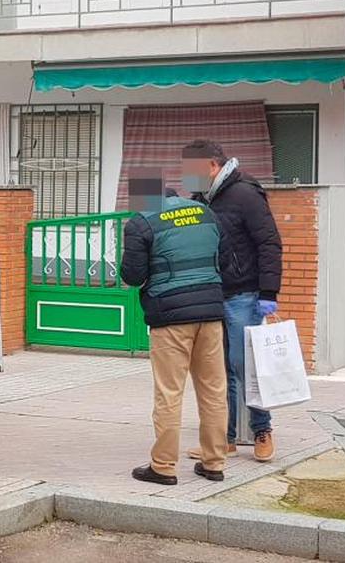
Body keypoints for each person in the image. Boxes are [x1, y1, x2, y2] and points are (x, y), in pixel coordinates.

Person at [121, 177, 229, 486]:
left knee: (169, 393)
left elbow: (133, 274)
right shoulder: (204, 212)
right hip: (210, 313)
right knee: (213, 391)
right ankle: (213, 463)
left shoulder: (141, 223)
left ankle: (164, 466)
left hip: (170, 318)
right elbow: (225, 261)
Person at [182, 140, 283, 463]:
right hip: (212, 296)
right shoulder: (201, 201)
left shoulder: (244, 194)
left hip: (244, 296)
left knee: (246, 366)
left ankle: (262, 431)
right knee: (218, 370)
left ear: (212, 165)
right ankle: (222, 439)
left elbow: (269, 243)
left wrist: (268, 292)